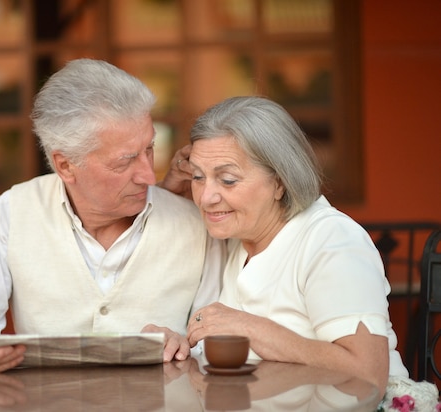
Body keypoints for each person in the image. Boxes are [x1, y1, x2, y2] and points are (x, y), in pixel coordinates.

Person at [0, 58, 220, 373]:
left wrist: (186, 345)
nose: (147, 174)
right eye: (124, 162)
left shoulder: (197, 226)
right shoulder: (11, 214)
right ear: (65, 165)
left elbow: (220, 342)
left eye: (149, 149)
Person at [161, 96, 409, 394]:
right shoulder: (237, 238)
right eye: (198, 177)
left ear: (279, 182)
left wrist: (250, 329)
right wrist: (180, 344)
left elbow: (367, 372)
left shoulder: (332, 240)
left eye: (227, 180)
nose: (205, 197)